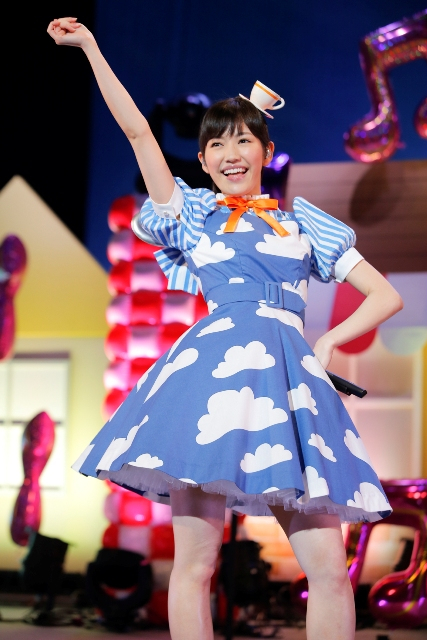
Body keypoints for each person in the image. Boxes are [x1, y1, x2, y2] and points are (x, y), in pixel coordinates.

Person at [48, 17, 403, 640]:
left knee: (329, 571)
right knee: (195, 566)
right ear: (204, 159)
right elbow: (137, 131)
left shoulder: (303, 224)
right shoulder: (193, 216)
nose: (229, 153)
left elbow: (385, 295)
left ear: (265, 150)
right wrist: (91, 48)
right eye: (216, 144)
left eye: (242, 141)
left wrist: (325, 343)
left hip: (290, 386)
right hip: (209, 381)